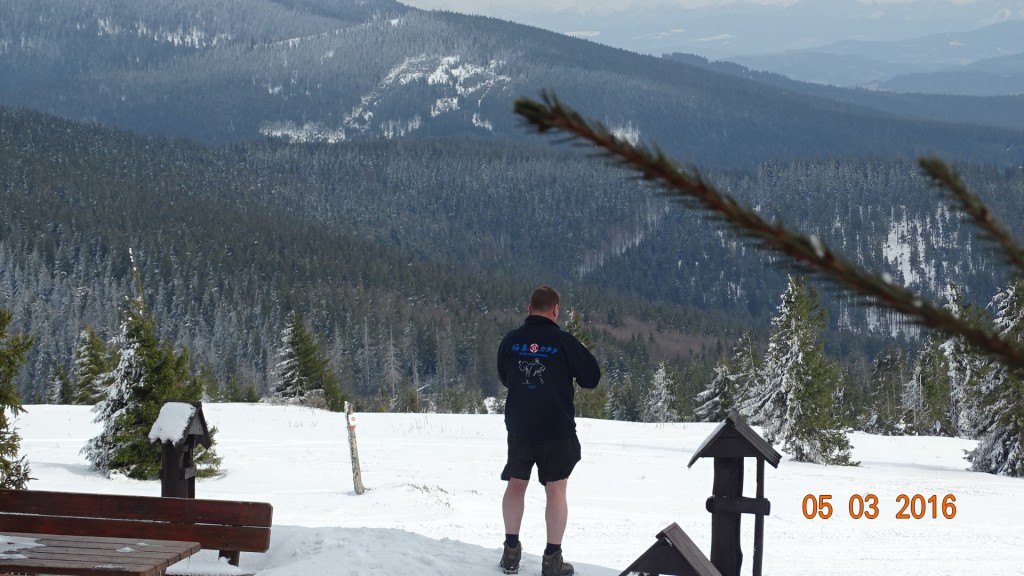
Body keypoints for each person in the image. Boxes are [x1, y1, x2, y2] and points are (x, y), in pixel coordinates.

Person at [496, 285, 601, 576]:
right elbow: (591, 378)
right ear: (555, 310)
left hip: (520, 426)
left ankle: (511, 553)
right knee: (555, 490)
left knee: (516, 485)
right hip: (556, 428)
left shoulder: (511, 340)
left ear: (529, 309)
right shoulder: (564, 342)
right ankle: (552, 560)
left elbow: (505, 376)